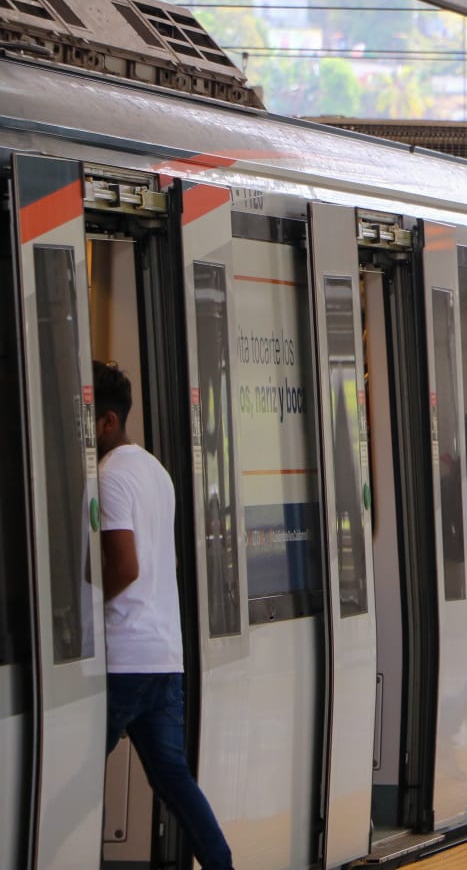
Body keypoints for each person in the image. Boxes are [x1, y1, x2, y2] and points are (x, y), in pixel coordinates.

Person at [93, 362, 235, 870]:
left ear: (107, 421)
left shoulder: (108, 478)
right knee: (175, 780)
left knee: (75, 769)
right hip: (163, 657)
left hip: (121, 658)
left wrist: (85, 605)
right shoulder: (155, 471)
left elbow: (125, 566)